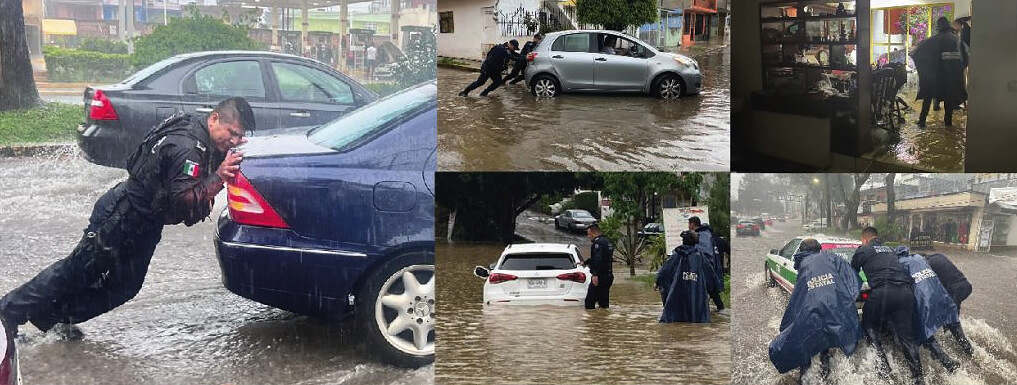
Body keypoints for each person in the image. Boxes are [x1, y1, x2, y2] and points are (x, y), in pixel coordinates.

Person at [0, 98, 253, 339]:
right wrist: (220, 177)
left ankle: (53, 318)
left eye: (240, 136)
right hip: (120, 215)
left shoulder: (197, 130)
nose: (234, 141)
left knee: (125, 287)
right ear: (215, 119)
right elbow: (183, 199)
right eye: (231, 132)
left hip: (145, 223)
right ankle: (7, 313)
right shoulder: (187, 147)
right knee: (74, 272)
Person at [769, 239, 862, 385]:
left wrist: (787, 327)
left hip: (814, 313)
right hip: (835, 309)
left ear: (802, 251)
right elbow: (853, 279)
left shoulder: (804, 266)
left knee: (806, 343)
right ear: (819, 249)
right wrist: (845, 300)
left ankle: (804, 379)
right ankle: (827, 375)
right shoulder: (832, 257)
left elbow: (797, 300)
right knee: (827, 342)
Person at [851, 227, 925, 385]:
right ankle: (919, 378)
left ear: (864, 239)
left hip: (883, 292)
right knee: (907, 337)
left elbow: (852, 274)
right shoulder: (890, 250)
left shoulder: (863, 250)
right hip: (905, 293)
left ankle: (884, 369)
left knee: (869, 326)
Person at [894, 246, 960, 372]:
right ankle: (954, 356)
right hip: (939, 296)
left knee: (920, 332)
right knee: (927, 330)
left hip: (921, 300)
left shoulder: (900, 264)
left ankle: (943, 362)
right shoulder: (918, 258)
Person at [910, 16, 967, 128]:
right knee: (948, 100)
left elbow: (917, 52)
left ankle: (922, 121)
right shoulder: (957, 40)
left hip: (935, 78)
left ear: (939, 27)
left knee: (928, 97)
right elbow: (966, 58)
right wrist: (958, 72)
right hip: (951, 78)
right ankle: (948, 124)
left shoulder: (933, 40)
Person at [924, 252, 975, 355]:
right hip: (965, 286)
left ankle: (969, 352)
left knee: (951, 321)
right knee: (953, 317)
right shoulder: (938, 256)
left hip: (956, 290)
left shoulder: (927, 264)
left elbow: (930, 286)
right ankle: (953, 338)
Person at [657, 231, 710, 323]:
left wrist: (657, 281)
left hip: (677, 292)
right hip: (696, 293)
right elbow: (710, 274)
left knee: (676, 318)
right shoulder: (700, 256)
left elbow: (665, 270)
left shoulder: (676, 254)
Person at [689, 216, 725, 313]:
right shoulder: (707, 234)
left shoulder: (702, 235)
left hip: (704, 267)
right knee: (712, 290)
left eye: (689, 224)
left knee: (706, 289)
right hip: (708, 267)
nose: (688, 226)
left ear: (692, 224)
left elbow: (704, 252)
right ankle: (719, 310)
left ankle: (702, 312)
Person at [583, 224, 614, 309]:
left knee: (589, 302)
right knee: (604, 303)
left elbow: (598, 259)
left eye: (589, 234)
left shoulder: (598, 243)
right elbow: (604, 258)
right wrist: (586, 262)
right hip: (608, 276)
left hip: (600, 276)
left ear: (593, 233)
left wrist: (595, 274)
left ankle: (593, 321)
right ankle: (602, 320)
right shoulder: (608, 241)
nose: (588, 237)